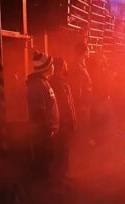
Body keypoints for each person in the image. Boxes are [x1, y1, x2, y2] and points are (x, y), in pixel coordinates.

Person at [26, 50, 59, 183]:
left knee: (48, 162)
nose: (53, 66)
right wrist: (46, 130)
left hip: (47, 132)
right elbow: (39, 111)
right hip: (43, 134)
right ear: (46, 67)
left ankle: (49, 190)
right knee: (43, 164)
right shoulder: (37, 85)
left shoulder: (43, 82)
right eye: (51, 64)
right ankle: (44, 194)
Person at [50, 57, 76, 182]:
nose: (67, 67)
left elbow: (69, 102)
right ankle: (60, 177)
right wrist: (69, 120)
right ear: (60, 67)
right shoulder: (56, 82)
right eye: (65, 65)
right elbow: (64, 104)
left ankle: (63, 175)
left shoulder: (62, 81)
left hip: (66, 121)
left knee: (64, 149)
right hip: (63, 122)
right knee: (61, 150)